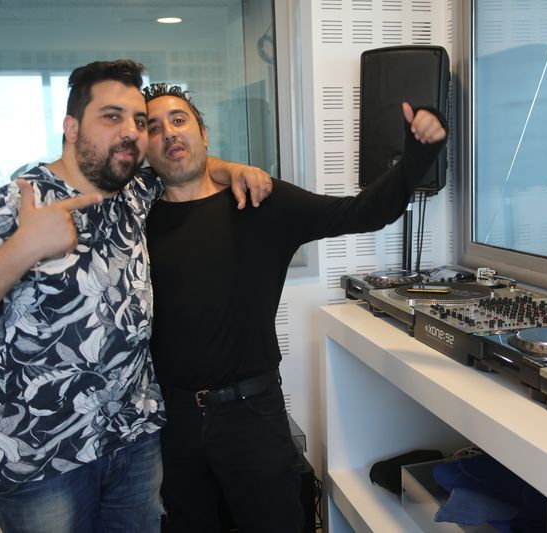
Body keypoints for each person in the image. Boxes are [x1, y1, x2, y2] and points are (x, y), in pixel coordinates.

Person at [0, 60, 271, 533]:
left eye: (139, 121)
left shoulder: (136, 192)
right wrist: (24, 248)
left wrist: (235, 168)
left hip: (133, 440)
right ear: (71, 128)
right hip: (41, 457)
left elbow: (186, 162)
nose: (131, 131)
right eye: (111, 117)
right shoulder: (19, 201)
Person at [143, 83, 447, 532]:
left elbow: (363, 212)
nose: (169, 132)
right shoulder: (136, 222)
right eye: (153, 128)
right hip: (174, 420)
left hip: (250, 414)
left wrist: (417, 154)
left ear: (203, 133)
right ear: (144, 148)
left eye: (178, 119)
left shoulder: (259, 203)